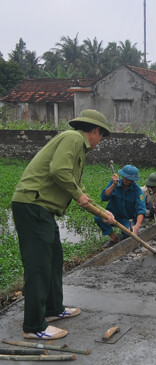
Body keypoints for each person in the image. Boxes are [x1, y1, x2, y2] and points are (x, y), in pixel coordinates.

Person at [11, 109, 115, 340]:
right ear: (95, 130)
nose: (100, 141)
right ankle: (34, 326)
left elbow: (78, 189)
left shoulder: (75, 145)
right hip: (32, 205)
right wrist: (78, 195)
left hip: (42, 209)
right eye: (102, 135)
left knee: (54, 259)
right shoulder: (73, 138)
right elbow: (59, 171)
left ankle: (52, 309)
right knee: (38, 265)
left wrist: (102, 211)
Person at [95, 164, 146, 249]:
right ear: (122, 176)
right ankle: (114, 238)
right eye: (126, 178)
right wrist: (113, 185)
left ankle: (124, 235)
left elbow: (141, 209)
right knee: (98, 217)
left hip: (127, 219)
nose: (128, 181)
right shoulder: (114, 184)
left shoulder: (137, 191)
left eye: (131, 180)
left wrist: (137, 226)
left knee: (128, 234)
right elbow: (104, 197)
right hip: (112, 215)